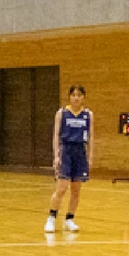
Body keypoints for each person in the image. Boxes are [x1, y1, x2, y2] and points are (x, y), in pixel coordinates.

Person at [47, 85, 93, 233]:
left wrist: (90, 156)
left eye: (79, 95)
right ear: (69, 97)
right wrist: (56, 156)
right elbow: (55, 135)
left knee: (76, 190)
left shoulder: (88, 114)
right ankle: (52, 217)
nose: (76, 98)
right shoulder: (62, 113)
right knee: (61, 188)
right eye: (73, 95)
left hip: (80, 152)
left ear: (83, 97)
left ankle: (69, 219)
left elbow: (91, 137)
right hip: (66, 151)